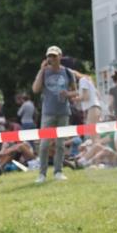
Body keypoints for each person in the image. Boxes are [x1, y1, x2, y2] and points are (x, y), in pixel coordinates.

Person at [31, 45, 80, 183]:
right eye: (49, 56)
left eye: (54, 55)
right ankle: (42, 174)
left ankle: (58, 171)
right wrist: (41, 70)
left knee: (60, 144)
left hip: (63, 112)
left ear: (60, 56)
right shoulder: (44, 72)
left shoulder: (67, 72)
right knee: (45, 144)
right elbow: (35, 89)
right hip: (48, 113)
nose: (51, 58)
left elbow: (76, 92)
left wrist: (68, 94)